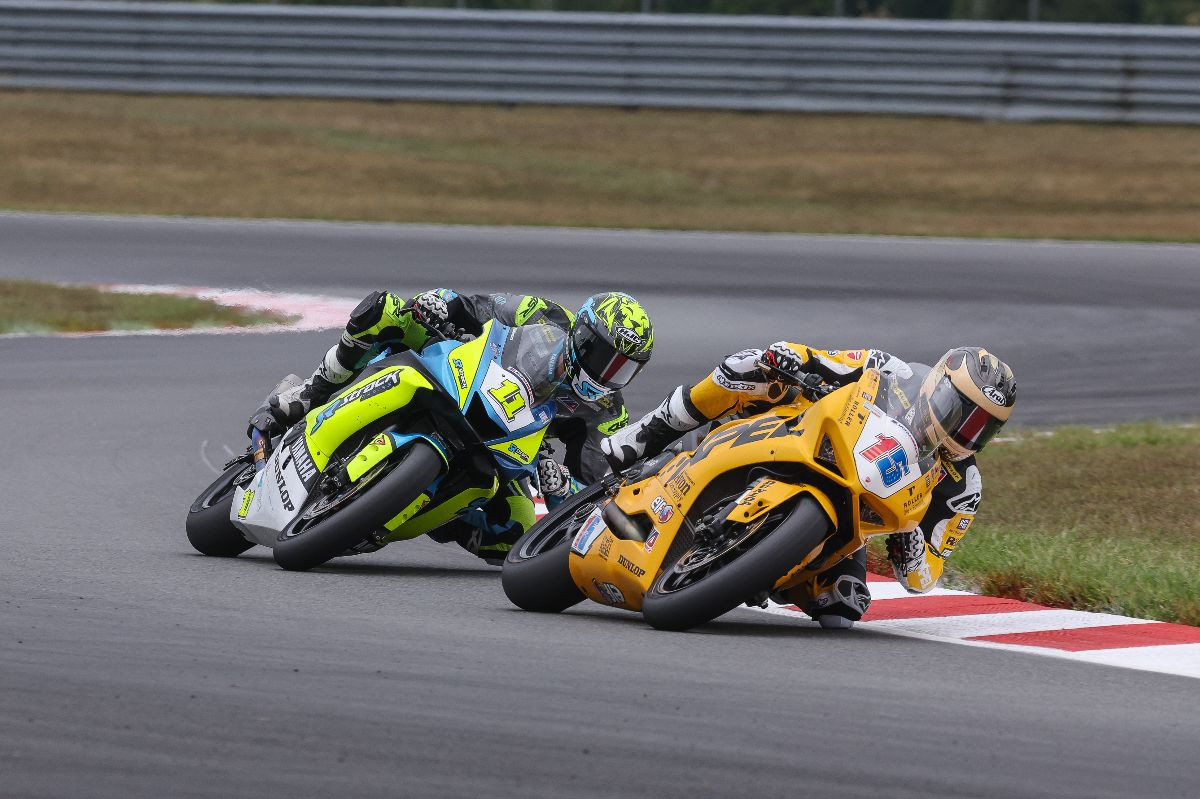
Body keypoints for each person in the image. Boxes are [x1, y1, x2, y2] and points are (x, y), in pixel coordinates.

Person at [601, 343, 1016, 628]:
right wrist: (788, 357)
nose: (965, 430)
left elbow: (926, 576)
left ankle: (751, 565)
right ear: (938, 383)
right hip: (811, 433)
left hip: (851, 518)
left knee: (844, 607)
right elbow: (821, 359)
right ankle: (642, 436)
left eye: (982, 427)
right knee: (746, 366)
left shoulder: (964, 487)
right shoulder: (891, 370)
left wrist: (912, 552)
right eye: (962, 411)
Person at [250, 288, 654, 563]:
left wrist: (562, 487)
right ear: (582, 335)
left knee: (518, 533)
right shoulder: (546, 314)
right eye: (604, 356)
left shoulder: (605, 410)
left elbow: (595, 491)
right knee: (385, 310)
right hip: (463, 371)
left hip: (508, 448)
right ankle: (311, 392)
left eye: (623, 369)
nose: (608, 373)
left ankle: (438, 513)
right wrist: (440, 303)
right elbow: (477, 306)